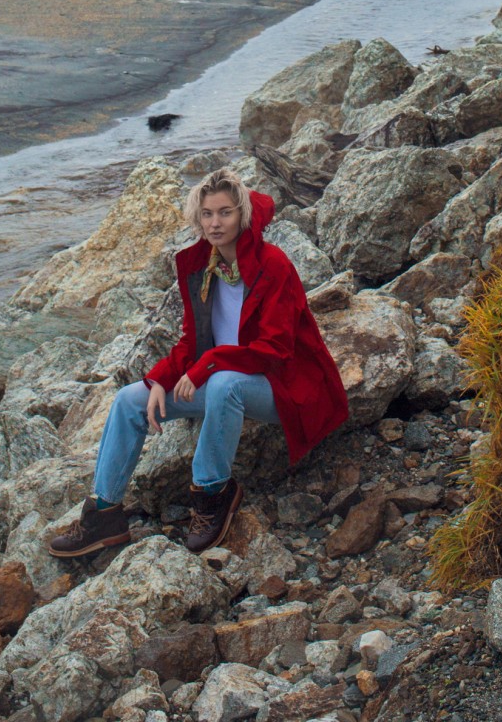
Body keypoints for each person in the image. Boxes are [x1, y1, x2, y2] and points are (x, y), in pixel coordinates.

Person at [47, 168, 348, 558]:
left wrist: (206, 366)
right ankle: (104, 514)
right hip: (224, 378)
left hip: (281, 387)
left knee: (224, 383)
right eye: (207, 214)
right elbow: (191, 340)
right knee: (128, 399)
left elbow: (273, 350)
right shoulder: (200, 266)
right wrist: (160, 380)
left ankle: (212, 494)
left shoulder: (273, 265)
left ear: (242, 215)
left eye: (225, 213)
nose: (215, 223)